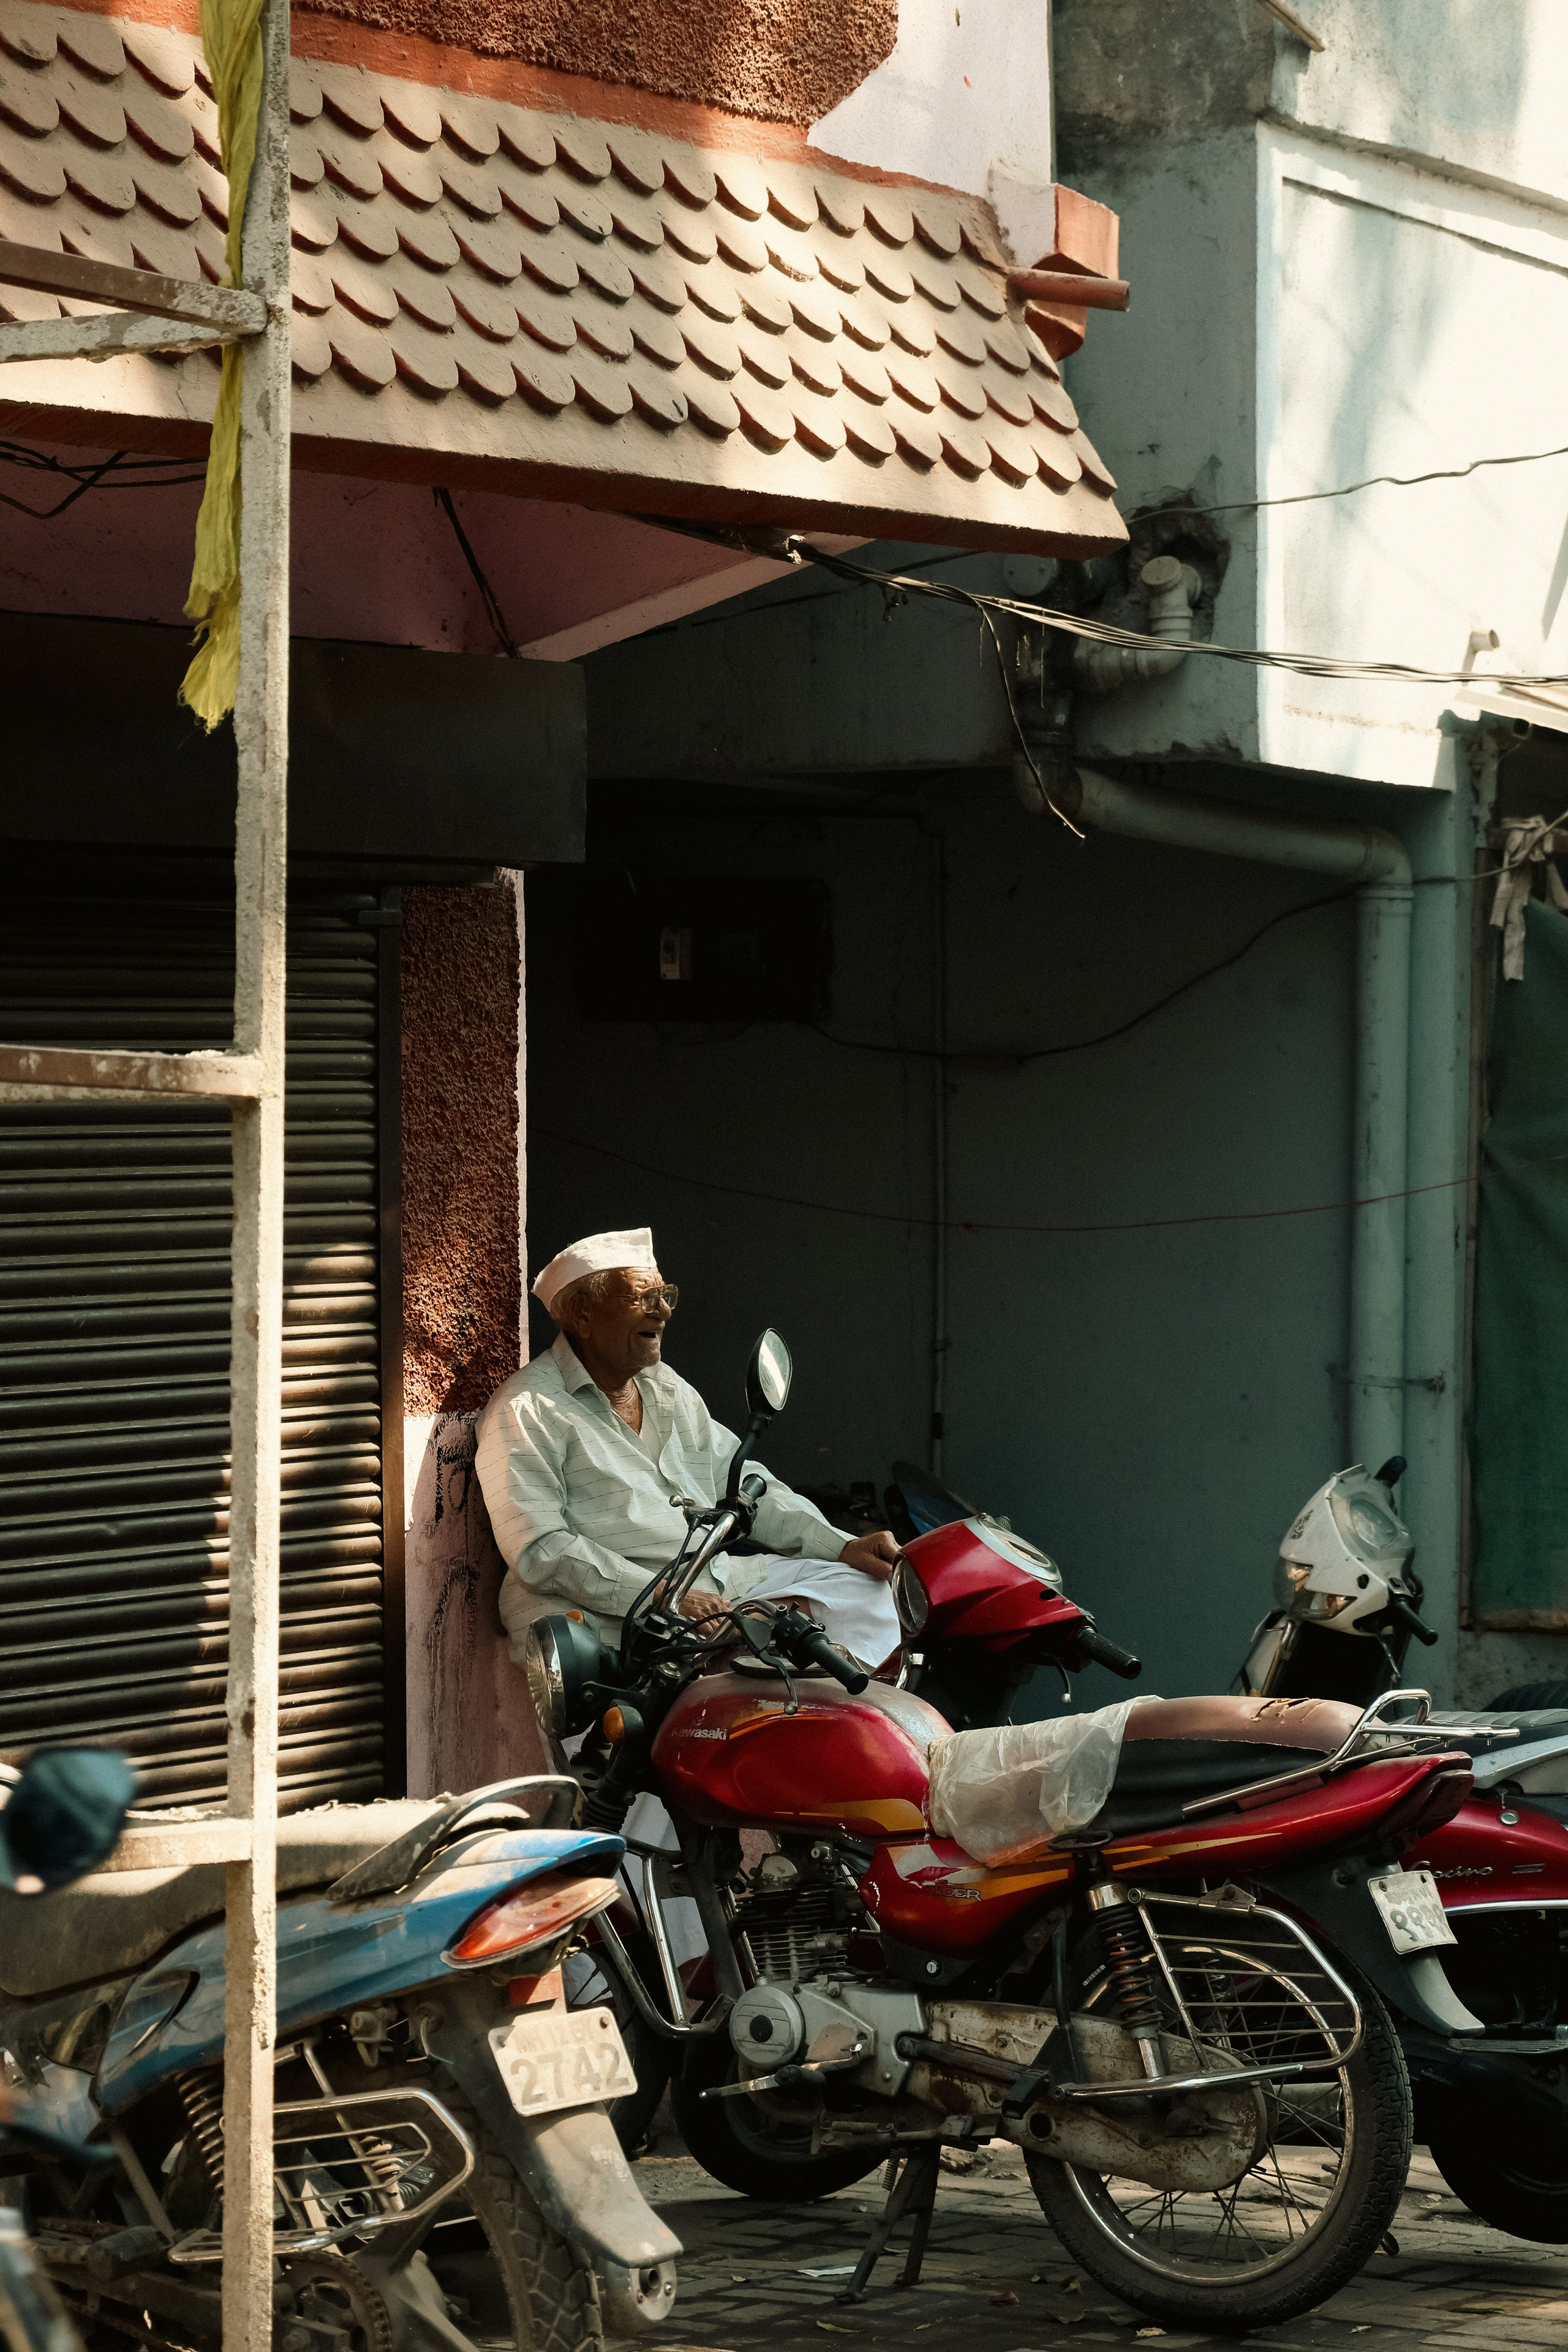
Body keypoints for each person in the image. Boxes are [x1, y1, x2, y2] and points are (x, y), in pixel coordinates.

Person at [475, 1226, 903, 1674]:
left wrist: (843, 1545)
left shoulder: (665, 1388)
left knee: (877, 1589)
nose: (663, 1312)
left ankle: (741, 1639)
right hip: (607, 1617)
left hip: (710, 1585)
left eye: (666, 1296)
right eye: (644, 1298)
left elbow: (741, 1484)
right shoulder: (527, 1408)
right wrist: (661, 1595)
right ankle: (736, 1648)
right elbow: (541, 1549)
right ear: (584, 1315)